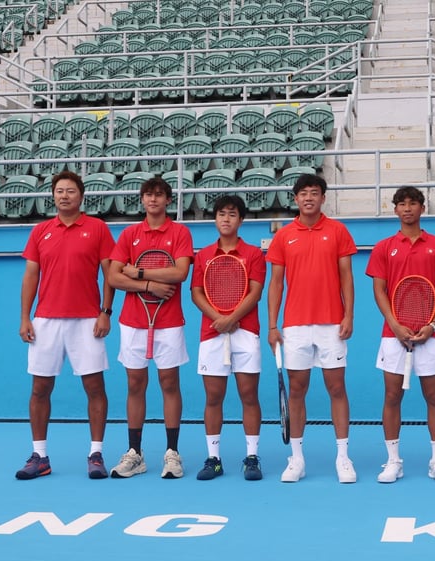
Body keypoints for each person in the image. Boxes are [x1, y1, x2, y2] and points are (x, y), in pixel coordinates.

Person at [16, 170, 115, 480]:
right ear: (53, 195)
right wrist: (25, 317)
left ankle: (96, 453)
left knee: (94, 387)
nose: (64, 195)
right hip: (45, 321)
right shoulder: (41, 231)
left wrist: (105, 312)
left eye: (70, 191)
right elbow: (31, 275)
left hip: (88, 320)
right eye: (59, 191)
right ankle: (40, 456)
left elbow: (110, 273)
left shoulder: (98, 229)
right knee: (40, 388)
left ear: (81, 196)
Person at [266, 173, 357, 483]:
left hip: (332, 324)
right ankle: (297, 459)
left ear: (323, 198)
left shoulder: (338, 231)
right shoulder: (283, 236)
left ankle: (343, 458)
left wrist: (349, 316)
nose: (309, 198)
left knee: (337, 388)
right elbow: (276, 282)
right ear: (295, 199)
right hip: (295, 327)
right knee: (297, 390)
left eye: (314, 193)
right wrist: (272, 325)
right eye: (303, 193)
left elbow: (347, 276)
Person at [366, 186, 435, 484]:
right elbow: (379, 289)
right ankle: (393, 462)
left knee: (434, 396)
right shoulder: (383, 247)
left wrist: (431, 323)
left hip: (430, 333)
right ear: (395, 210)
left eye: (413, 203)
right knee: (392, 396)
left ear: (422, 208)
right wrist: (394, 323)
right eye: (401, 204)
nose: (407, 209)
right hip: (394, 334)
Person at [106, 176, 193, 479]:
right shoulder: (130, 233)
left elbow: (180, 272)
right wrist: (148, 286)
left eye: (159, 195)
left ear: (168, 200)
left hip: (168, 323)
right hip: (133, 321)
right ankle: (135, 453)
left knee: (169, 383)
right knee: (135, 384)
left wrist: (140, 270)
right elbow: (114, 278)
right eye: (148, 195)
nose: (153, 200)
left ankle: (172, 453)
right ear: (142, 199)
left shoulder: (180, 232)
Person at [190, 195, 267, 481]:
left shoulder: (254, 254)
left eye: (232, 214)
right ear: (215, 219)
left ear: (241, 220)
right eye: (221, 214)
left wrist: (232, 318)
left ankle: (252, 456)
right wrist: (217, 319)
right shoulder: (203, 255)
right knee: (213, 397)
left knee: (249, 395)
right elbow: (196, 292)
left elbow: (255, 291)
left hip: (245, 332)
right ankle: (214, 458)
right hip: (212, 333)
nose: (226, 219)